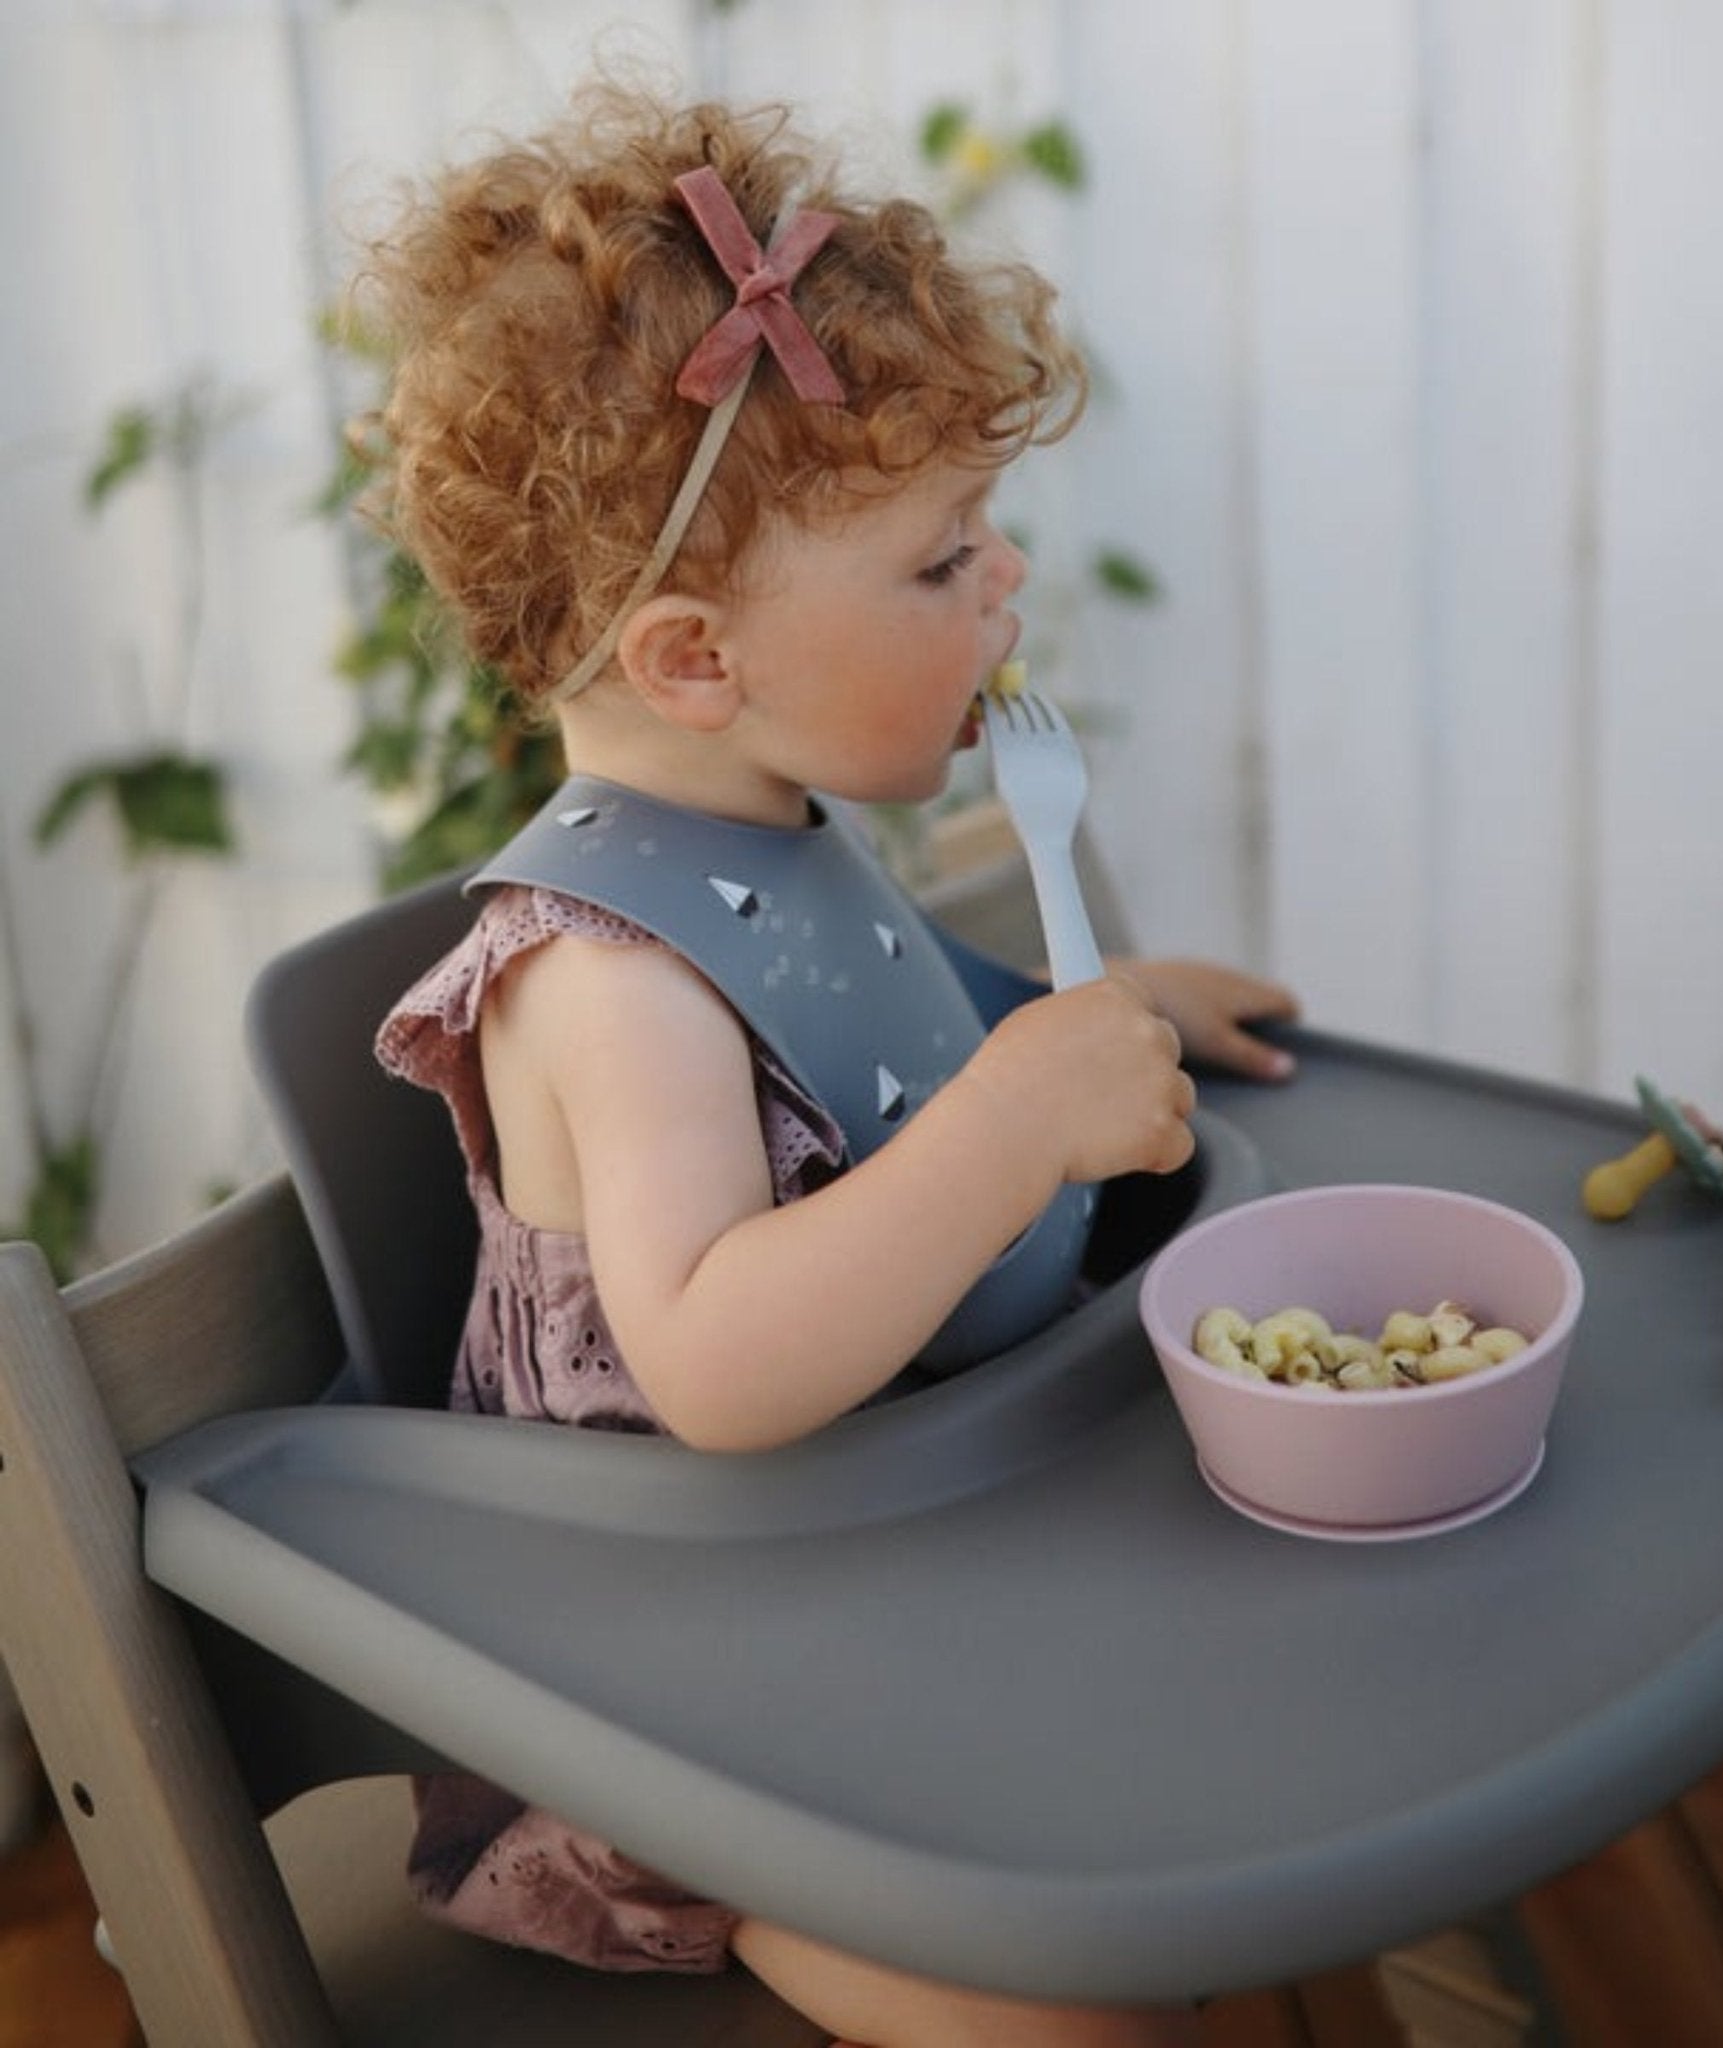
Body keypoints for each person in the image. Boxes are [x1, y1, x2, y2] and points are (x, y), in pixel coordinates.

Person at [357, 76, 1297, 2048]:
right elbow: (712, 1357)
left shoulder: (768, 820)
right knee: (1092, 2017)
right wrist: (1021, 1117)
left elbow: (864, 1039)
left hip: (905, 1567)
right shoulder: (603, 978)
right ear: (697, 658)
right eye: (944, 559)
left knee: (1250, 1769)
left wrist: (1098, 1003)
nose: (1006, 586)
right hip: (694, 1711)